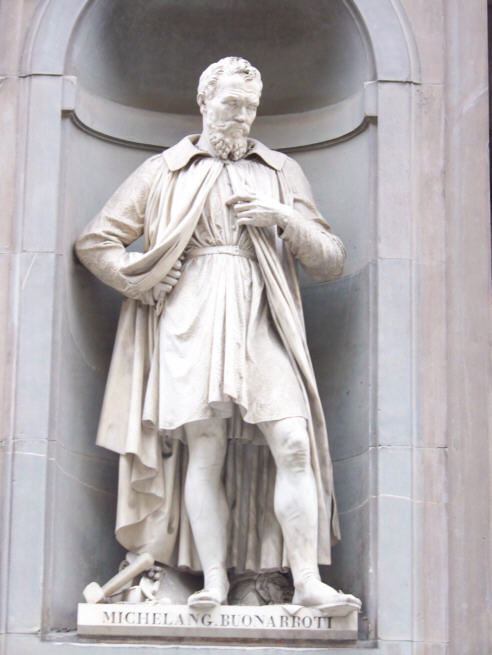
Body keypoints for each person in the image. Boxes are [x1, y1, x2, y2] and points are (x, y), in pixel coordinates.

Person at [76, 57, 361, 615]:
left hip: (262, 312)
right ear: (204, 101)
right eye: (232, 104)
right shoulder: (165, 170)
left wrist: (284, 218)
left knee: (294, 441)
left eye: (251, 107)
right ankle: (212, 581)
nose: (243, 117)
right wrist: (139, 278)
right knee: (204, 451)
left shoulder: (279, 171)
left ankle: (307, 580)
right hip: (192, 314)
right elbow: (96, 242)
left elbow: (330, 260)